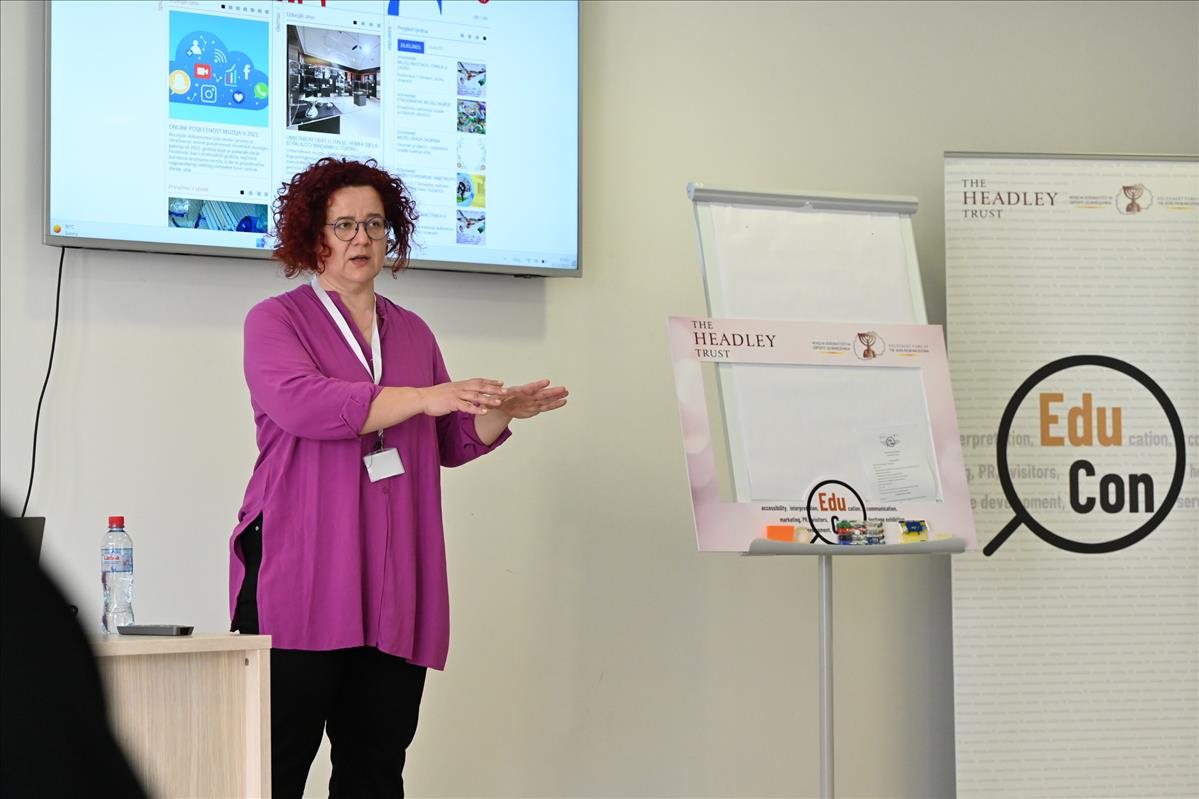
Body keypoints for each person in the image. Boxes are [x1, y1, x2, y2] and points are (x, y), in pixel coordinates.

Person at [229, 157, 567, 798]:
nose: (361, 238)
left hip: (391, 580)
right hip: (302, 574)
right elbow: (305, 405)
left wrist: (499, 411)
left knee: (376, 770)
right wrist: (423, 397)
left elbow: (446, 441)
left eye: (375, 225)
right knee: (273, 769)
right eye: (344, 225)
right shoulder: (276, 321)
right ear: (314, 236)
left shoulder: (411, 331)